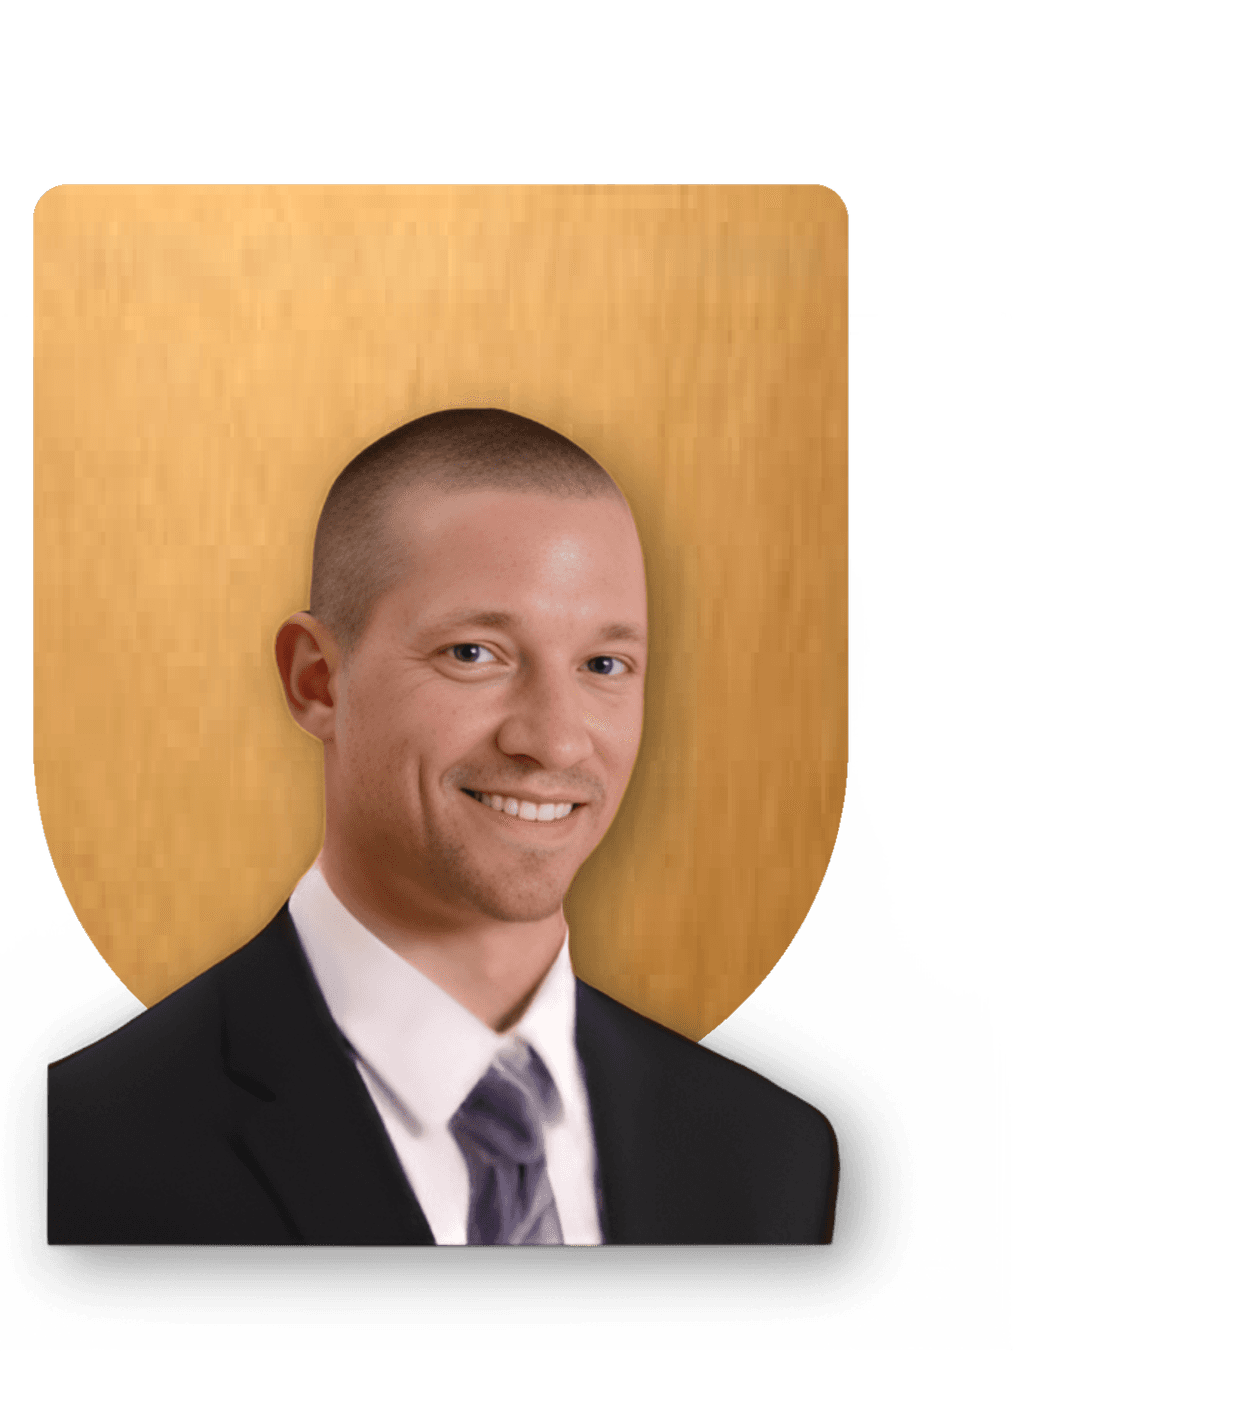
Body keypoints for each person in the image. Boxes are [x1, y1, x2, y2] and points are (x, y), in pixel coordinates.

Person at [45, 408, 837, 1245]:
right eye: (475, 654)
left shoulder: (770, 1157)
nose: (556, 739)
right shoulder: (75, 1156)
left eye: (604, 666)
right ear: (318, 681)